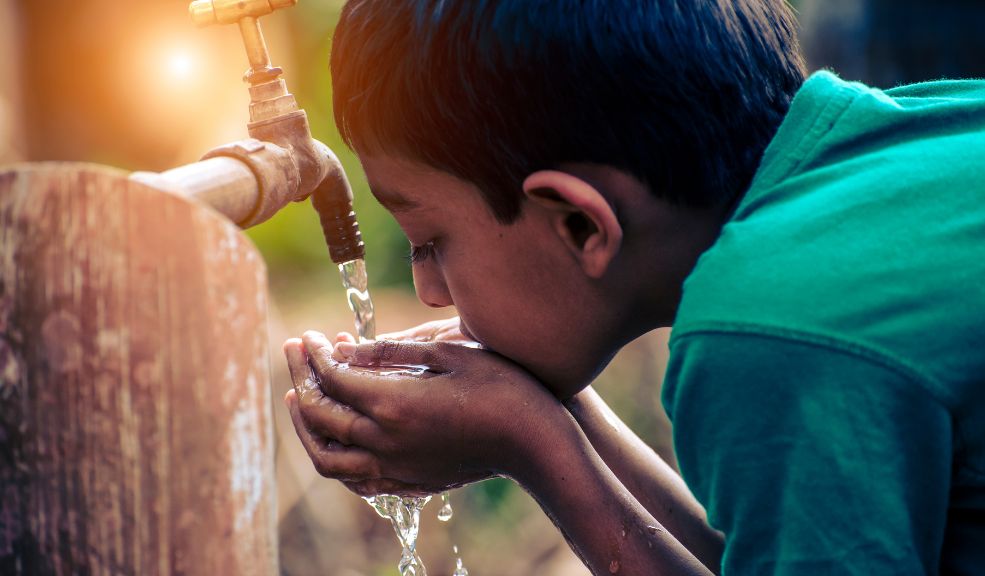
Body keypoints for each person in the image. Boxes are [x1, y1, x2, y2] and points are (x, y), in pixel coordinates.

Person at [282, 1, 985, 574]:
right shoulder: (925, 135)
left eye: (431, 243)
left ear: (582, 226)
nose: (430, 292)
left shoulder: (773, 331)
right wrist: (563, 419)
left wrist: (532, 447)